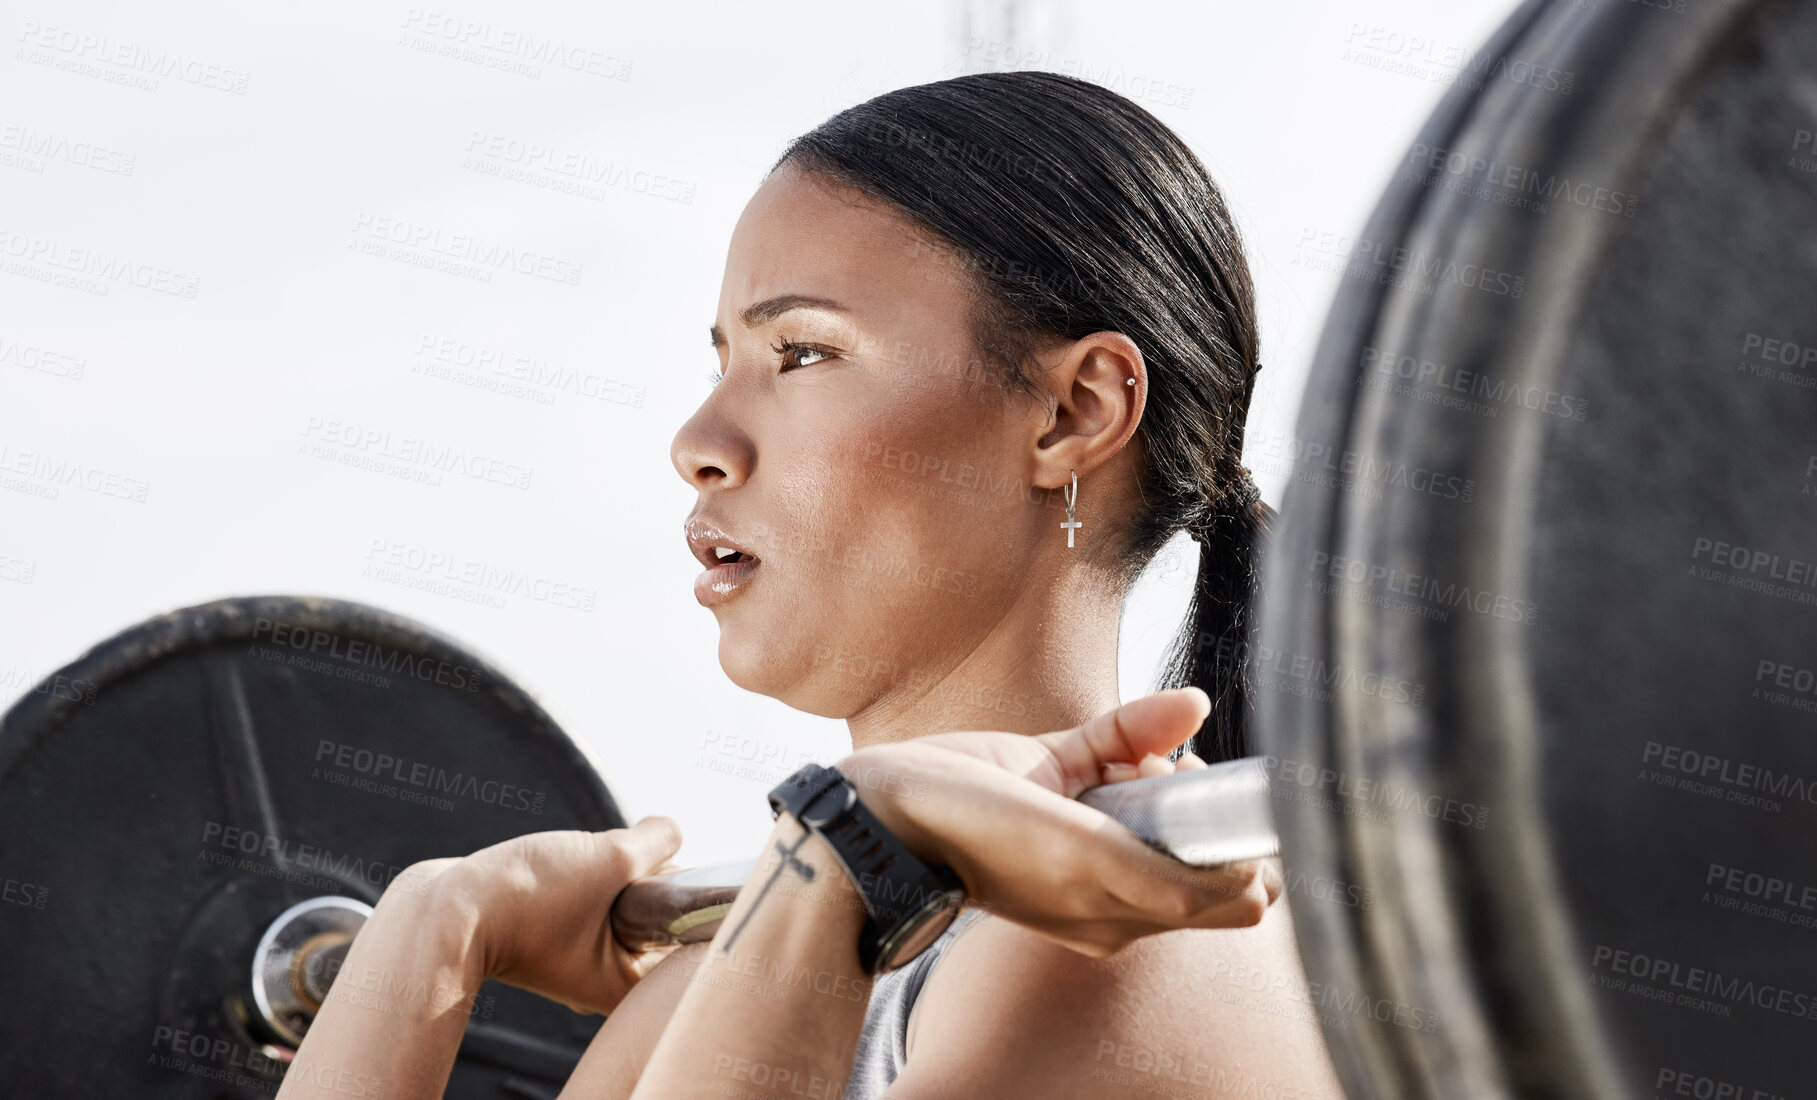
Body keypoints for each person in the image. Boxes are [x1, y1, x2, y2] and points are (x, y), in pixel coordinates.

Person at [278, 71, 1344, 1100]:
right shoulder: (705, 982)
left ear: (1071, 413)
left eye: (801, 353)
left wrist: (838, 849)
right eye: (720, 363)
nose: (696, 443)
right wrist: (429, 933)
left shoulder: (1125, 949)